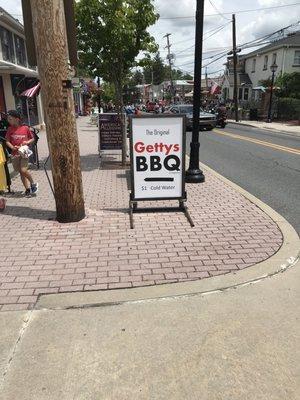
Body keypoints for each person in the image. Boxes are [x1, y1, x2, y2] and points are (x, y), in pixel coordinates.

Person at [5, 110, 38, 197]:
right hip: (15, 154)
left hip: (24, 153)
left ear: (17, 119)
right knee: (21, 172)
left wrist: (27, 142)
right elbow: (7, 141)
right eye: (8, 119)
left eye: (10, 119)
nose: (8, 120)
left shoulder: (25, 128)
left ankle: (33, 183)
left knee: (24, 170)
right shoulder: (9, 129)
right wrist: (12, 147)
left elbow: (32, 138)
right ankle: (27, 189)